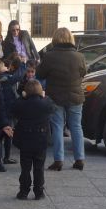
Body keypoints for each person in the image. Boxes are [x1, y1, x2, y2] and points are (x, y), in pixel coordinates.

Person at [36, 27, 87, 171]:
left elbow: (40, 74)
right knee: (76, 127)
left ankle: (58, 160)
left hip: (55, 96)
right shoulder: (79, 56)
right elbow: (83, 72)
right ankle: (79, 159)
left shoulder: (49, 56)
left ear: (55, 39)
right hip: (75, 96)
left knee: (57, 127)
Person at [12, 79, 55, 200]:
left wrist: (22, 97)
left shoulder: (21, 104)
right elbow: (52, 107)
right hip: (40, 140)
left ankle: (23, 191)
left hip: (25, 140)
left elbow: (13, 109)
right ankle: (39, 192)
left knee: (25, 168)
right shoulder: (45, 104)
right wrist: (44, 97)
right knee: (39, 168)